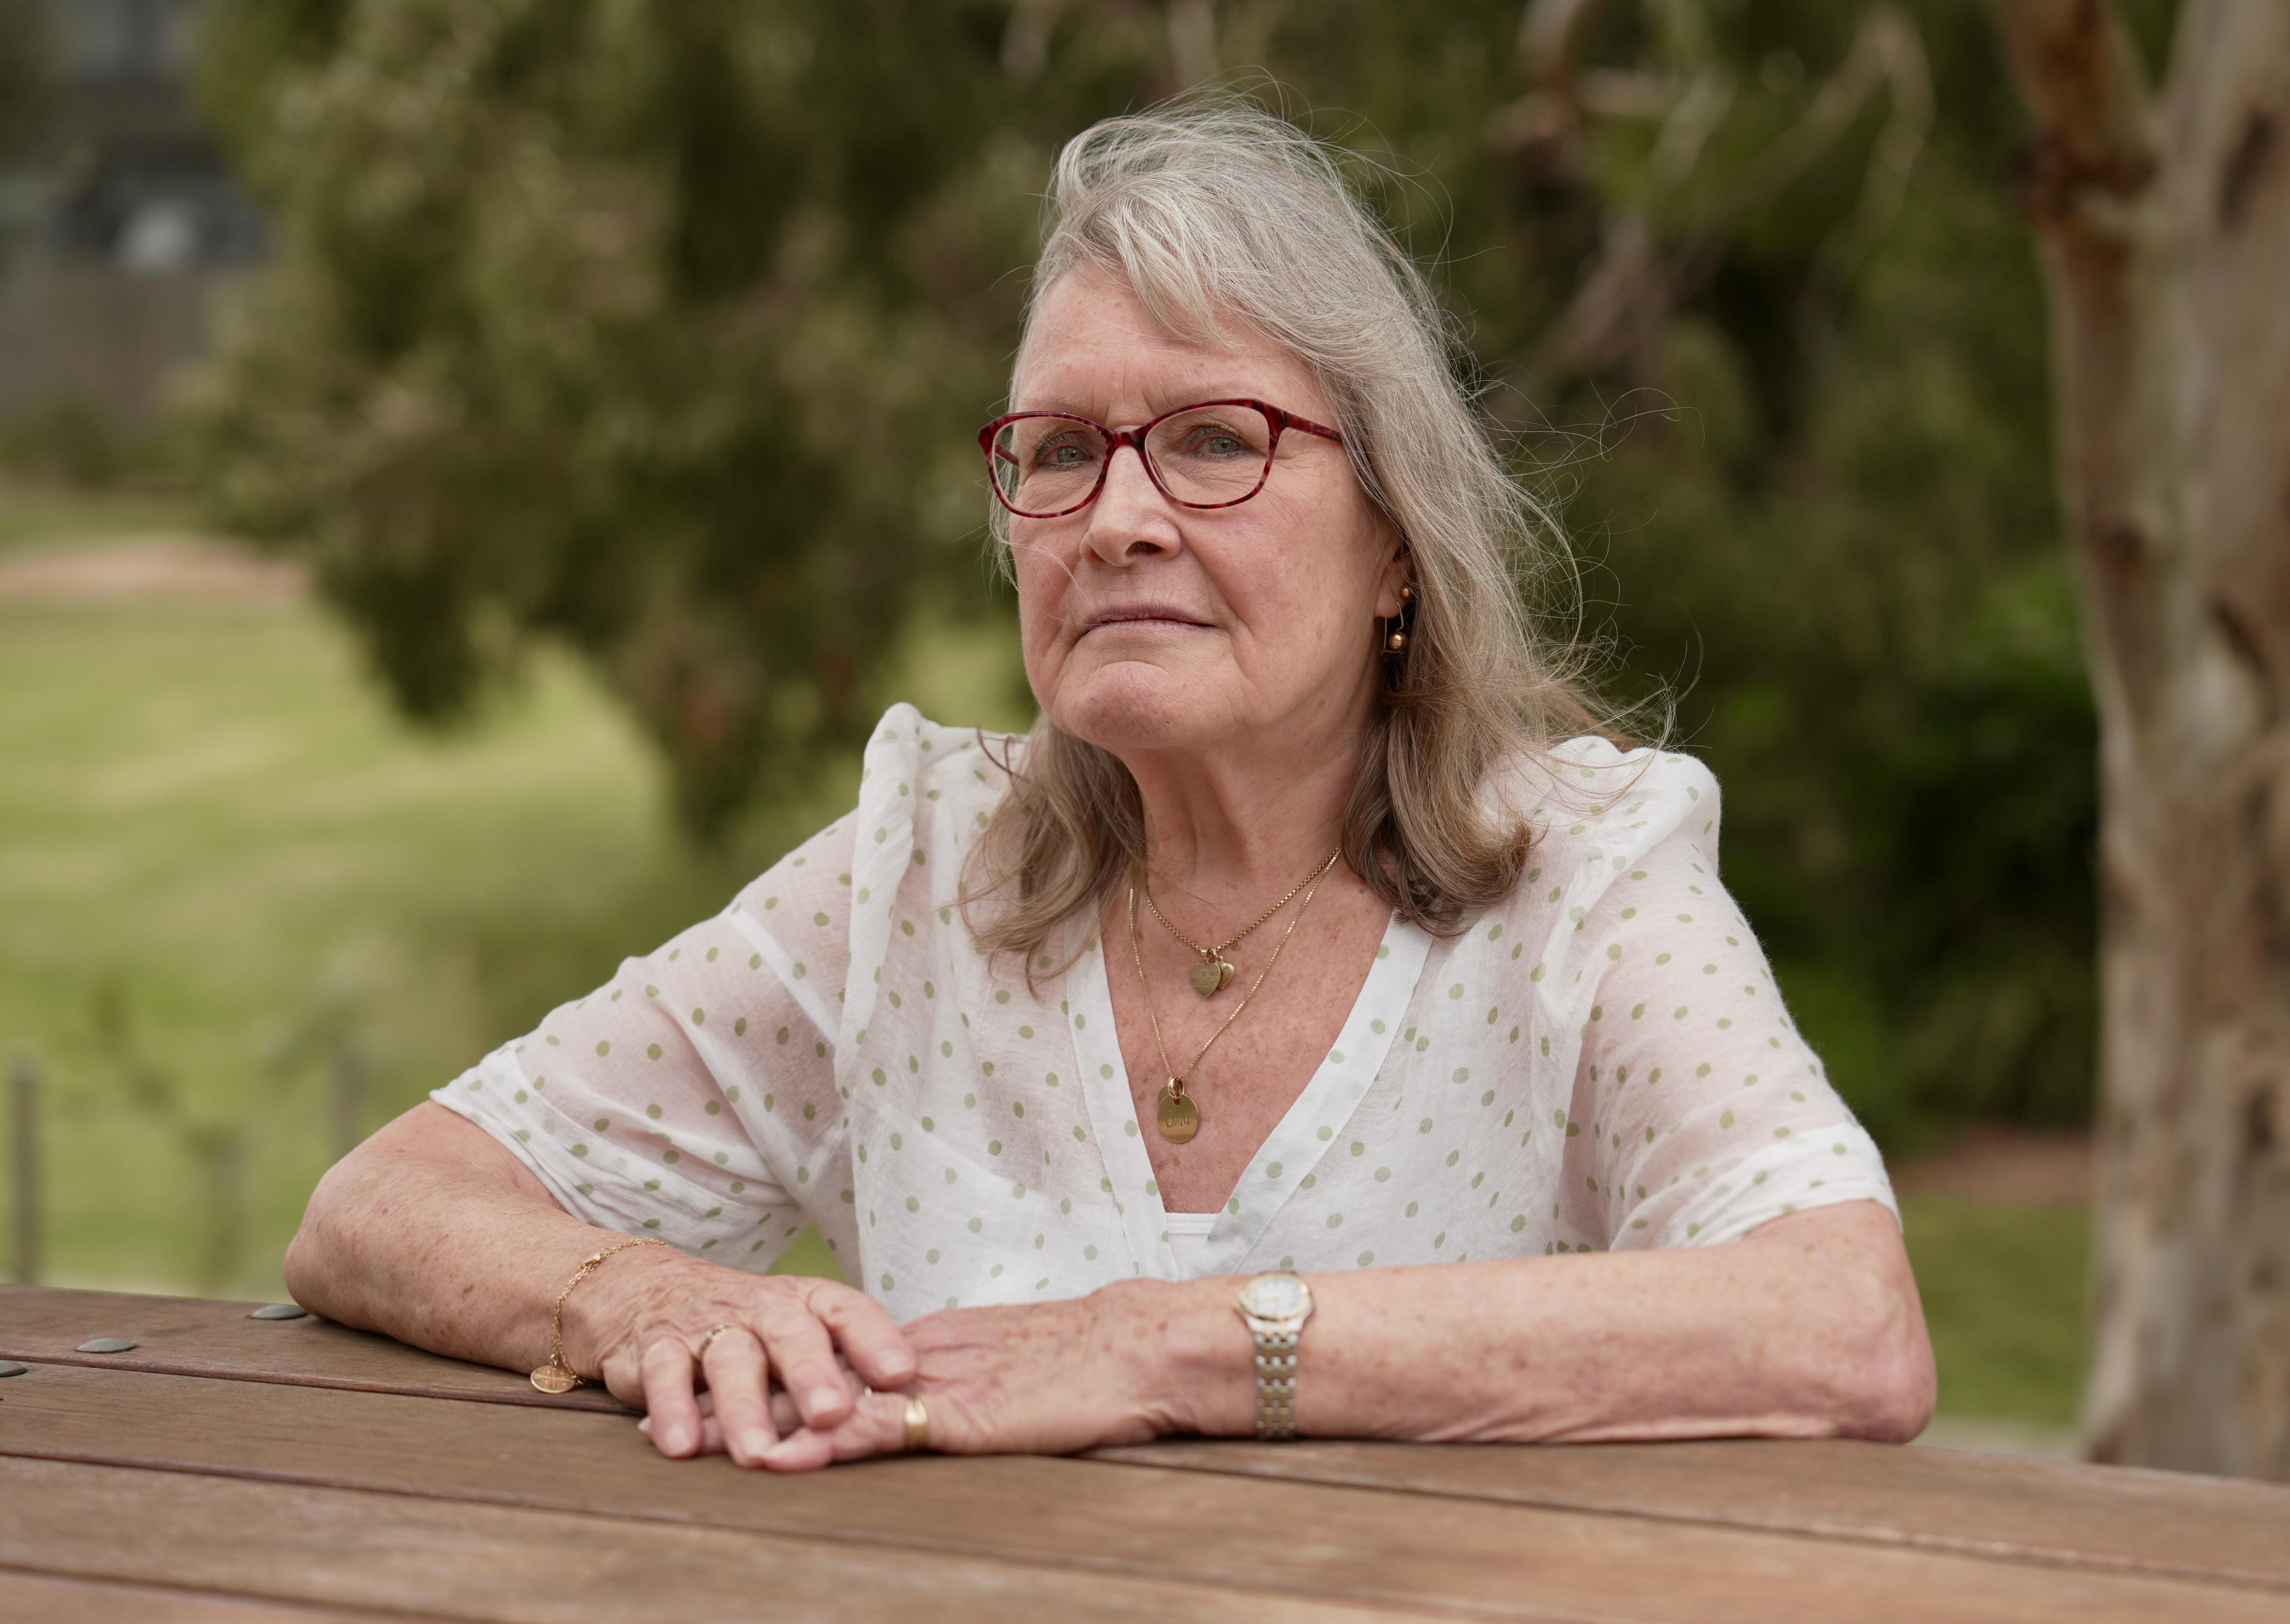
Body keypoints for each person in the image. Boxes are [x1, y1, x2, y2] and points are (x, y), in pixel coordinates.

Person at [285, 101, 1935, 1473]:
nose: (1117, 517)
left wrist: (1166, 1347)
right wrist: (645, 1297)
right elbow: (380, 1206)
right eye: (1061, 450)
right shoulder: (916, 876)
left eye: (1216, 440)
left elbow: (1844, 1324)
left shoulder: (1580, 874)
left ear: (1394, 544)